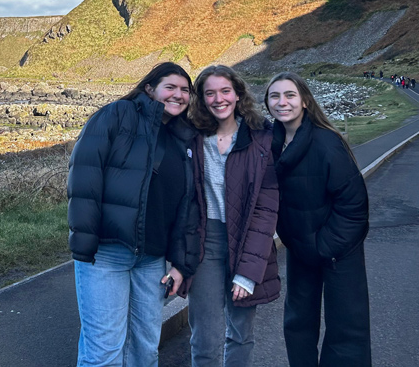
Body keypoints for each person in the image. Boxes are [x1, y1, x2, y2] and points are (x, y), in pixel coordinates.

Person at [67, 62, 201, 366]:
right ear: (149, 88)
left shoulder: (183, 138)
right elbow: (84, 177)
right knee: (104, 351)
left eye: (185, 90)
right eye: (171, 87)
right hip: (107, 253)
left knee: (144, 349)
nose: (178, 95)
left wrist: (181, 263)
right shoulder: (117, 115)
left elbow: (187, 207)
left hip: (151, 260)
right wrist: (86, 243)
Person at [265, 72, 371, 366]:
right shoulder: (270, 145)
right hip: (300, 248)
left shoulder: (327, 143)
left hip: (337, 249)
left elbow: (354, 206)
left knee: (346, 329)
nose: (282, 102)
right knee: (298, 323)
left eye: (289, 95)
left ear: (305, 102)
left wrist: (324, 246)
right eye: (274, 96)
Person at [186, 65, 280, 367]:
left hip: (247, 239)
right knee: (205, 337)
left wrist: (249, 272)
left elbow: (266, 209)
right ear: (201, 98)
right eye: (209, 93)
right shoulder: (190, 138)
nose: (218, 99)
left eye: (225, 91)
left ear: (238, 94)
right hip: (206, 243)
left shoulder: (261, 139)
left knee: (240, 333)